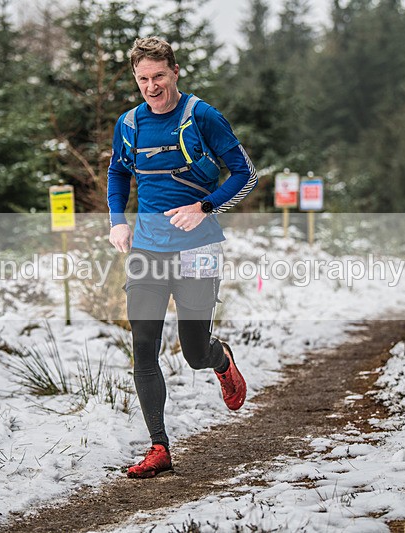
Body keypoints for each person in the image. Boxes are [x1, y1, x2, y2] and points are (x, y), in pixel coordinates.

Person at [107, 36, 258, 479]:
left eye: (159, 76)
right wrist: (118, 221)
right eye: (143, 79)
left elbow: (245, 174)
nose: (151, 86)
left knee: (193, 351)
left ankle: (220, 358)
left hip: (199, 248)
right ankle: (159, 447)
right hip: (148, 249)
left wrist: (204, 207)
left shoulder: (202, 115)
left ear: (175, 71)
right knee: (143, 347)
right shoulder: (129, 124)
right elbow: (117, 171)